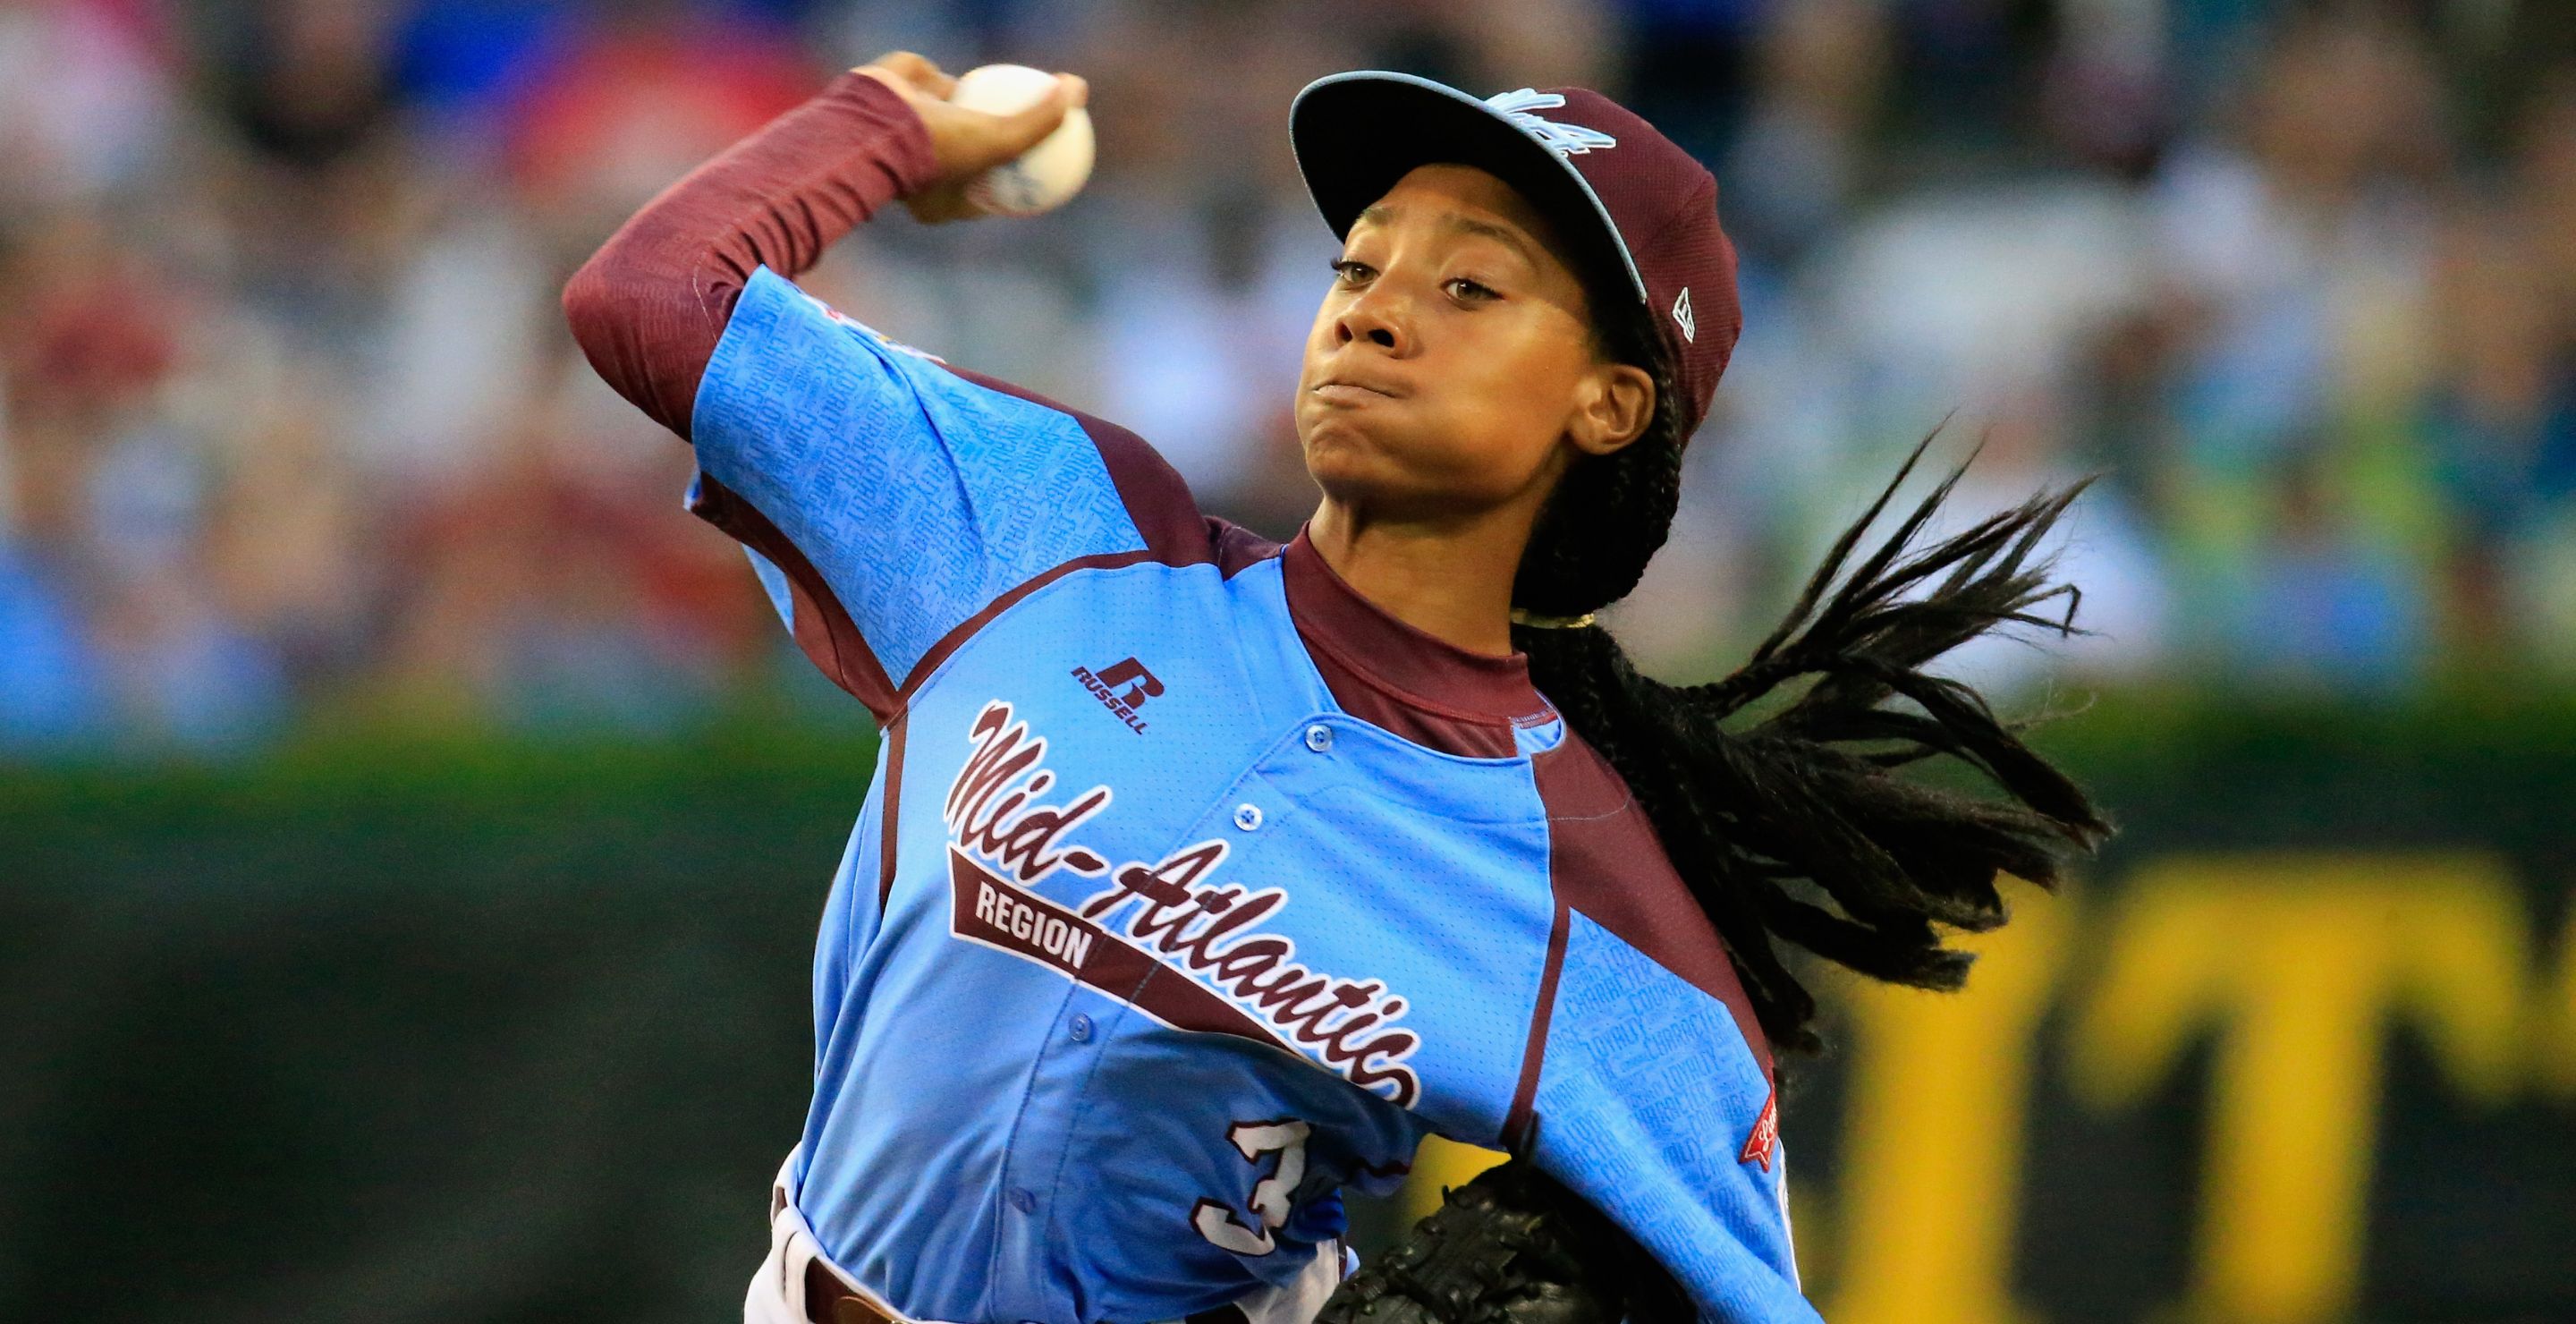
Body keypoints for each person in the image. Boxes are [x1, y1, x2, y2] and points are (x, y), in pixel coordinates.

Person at [564, 49, 2106, 1324]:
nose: (1373, 307)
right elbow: (648, 302)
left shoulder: (1587, 903)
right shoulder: (1053, 532)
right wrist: (891, 125)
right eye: (1358, 264)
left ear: (1611, 401)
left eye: (1472, 287)